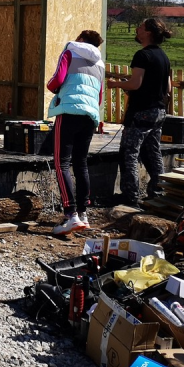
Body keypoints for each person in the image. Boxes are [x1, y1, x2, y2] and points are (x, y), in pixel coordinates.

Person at [107, 17, 173, 209]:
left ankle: (130, 196)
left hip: (141, 112)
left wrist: (116, 84)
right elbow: (167, 88)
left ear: (148, 33)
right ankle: (157, 192)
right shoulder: (163, 56)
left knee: (129, 153)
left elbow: (135, 84)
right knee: (153, 152)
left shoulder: (142, 55)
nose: (137, 29)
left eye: (141, 27)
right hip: (159, 112)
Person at [46, 30, 105, 236]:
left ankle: (70, 215)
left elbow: (56, 80)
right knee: (81, 163)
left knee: (61, 162)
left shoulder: (70, 51)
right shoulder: (100, 63)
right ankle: (83, 213)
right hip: (90, 115)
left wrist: (52, 87)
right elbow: (99, 96)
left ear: (80, 39)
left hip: (69, 111)